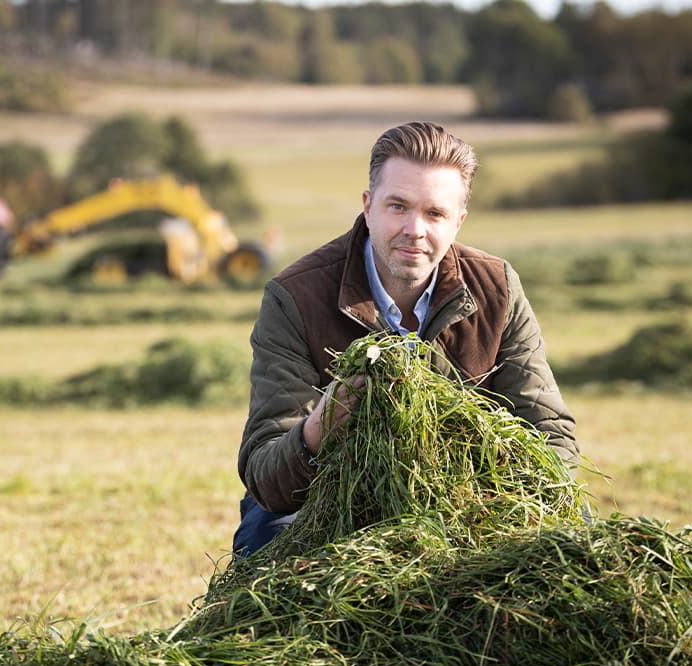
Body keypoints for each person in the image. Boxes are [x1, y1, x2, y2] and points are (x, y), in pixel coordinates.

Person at [233, 121, 578, 556]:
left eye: (435, 213)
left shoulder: (498, 288)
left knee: (572, 542)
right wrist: (316, 432)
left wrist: (490, 501)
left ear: (458, 222)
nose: (415, 229)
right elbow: (265, 476)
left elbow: (551, 433)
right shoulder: (296, 296)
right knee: (268, 545)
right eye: (398, 206)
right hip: (328, 498)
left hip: (465, 497)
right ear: (368, 206)